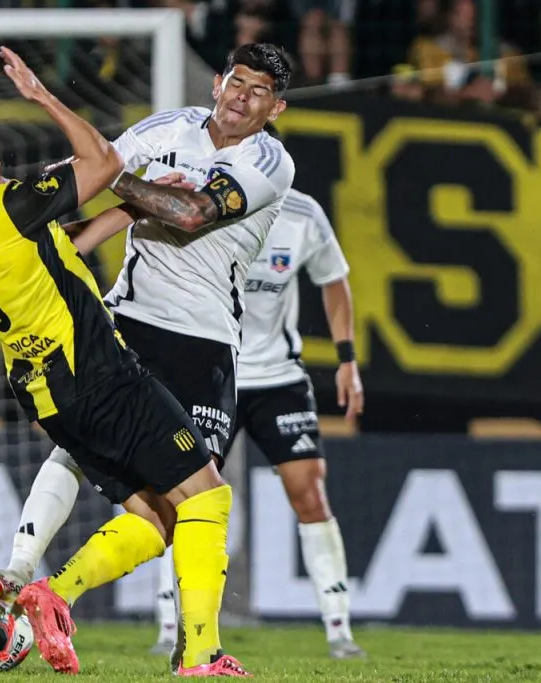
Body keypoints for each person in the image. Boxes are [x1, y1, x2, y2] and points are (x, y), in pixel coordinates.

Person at [0, 47, 247, 677]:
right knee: (208, 497)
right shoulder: (7, 204)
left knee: (157, 517)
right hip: (99, 376)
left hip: (48, 398)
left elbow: (69, 246)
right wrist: (41, 95)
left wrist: (138, 207)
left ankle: (50, 594)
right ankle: (201, 656)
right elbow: (106, 161)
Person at [152, 127, 367, 661]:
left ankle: (339, 629)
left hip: (276, 376)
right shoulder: (197, 203)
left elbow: (335, 280)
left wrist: (347, 360)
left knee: (308, 491)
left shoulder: (303, 215)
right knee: (180, 499)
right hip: (209, 369)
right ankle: (168, 625)